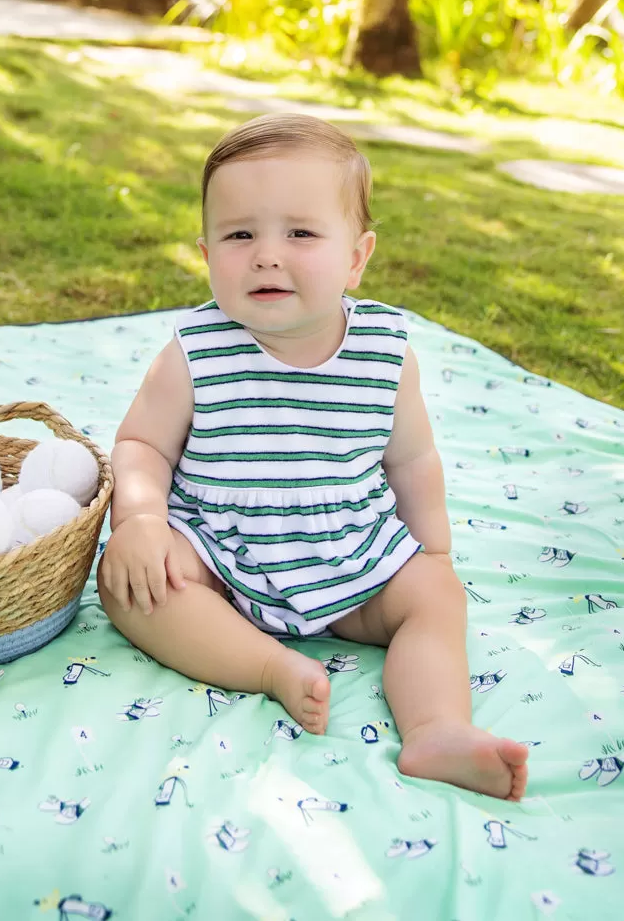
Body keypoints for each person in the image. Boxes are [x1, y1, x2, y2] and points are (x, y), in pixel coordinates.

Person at [97, 113, 529, 800]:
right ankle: (267, 667)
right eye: (240, 235)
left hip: (349, 548)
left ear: (357, 257)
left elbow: (412, 460)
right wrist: (143, 522)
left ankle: (437, 729)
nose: (267, 254)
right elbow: (141, 444)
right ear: (206, 255)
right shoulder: (196, 352)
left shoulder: (385, 353)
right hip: (221, 552)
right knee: (133, 588)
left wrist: (433, 549)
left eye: (299, 233)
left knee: (434, 597)